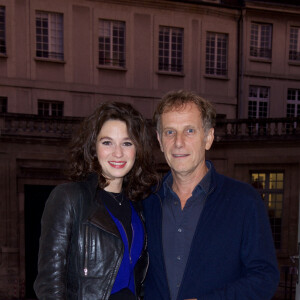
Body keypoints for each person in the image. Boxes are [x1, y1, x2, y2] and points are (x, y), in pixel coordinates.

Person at [142, 90, 280, 300]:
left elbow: (264, 278)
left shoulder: (244, 201)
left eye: (189, 131)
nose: (178, 142)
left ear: (208, 138)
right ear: (160, 141)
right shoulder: (145, 202)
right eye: (170, 132)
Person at [34, 102, 158, 300]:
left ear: (138, 149)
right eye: (107, 142)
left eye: (127, 143)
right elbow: (49, 284)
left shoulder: (139, 205)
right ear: (93, 147)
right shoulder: (69, 198)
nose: (118, 153)